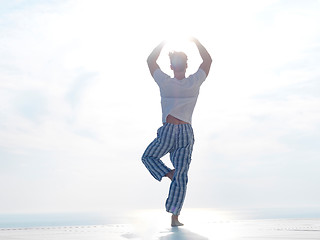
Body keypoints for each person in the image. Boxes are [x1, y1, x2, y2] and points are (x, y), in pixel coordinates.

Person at [141, 37, 212, 227]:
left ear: (175, 67)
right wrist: (196, 42)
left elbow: (150, 61)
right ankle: (170, 174)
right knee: (150, 158)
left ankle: (175, 217)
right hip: (178, 132)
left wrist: (163, 42)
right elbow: (208, 61)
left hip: (178, 132)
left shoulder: (175, 81)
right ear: (175, 66)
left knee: (178, 174)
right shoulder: (187, 81)